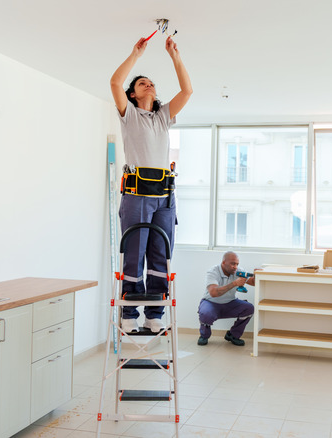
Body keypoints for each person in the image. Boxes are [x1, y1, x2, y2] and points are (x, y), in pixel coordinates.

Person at [110, 34, 192, 333]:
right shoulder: (129, 115)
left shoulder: (163, 116)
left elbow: (187, 90)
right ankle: (130, 316)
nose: (149, 85)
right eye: (141, 83)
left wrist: (175, 57)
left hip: (165, 197)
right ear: (133, 94)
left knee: (160, 253)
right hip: (136, 194)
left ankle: (154, 315)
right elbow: (115, 84)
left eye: (151, 83)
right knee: (135, 252)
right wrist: (135, 54)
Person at [197, 251, 256, 346]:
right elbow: (213, 292)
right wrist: (234, 283)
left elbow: (253, 282)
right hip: (211, 302)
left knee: (249, 308)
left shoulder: (238, 271)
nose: (235, 266)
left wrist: (257, 274)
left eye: (237, 264)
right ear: (224, 262)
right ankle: (204, 335)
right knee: (206, 313)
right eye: (233, 263)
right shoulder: (213, 272)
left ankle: (233, 335)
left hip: (230, 303)